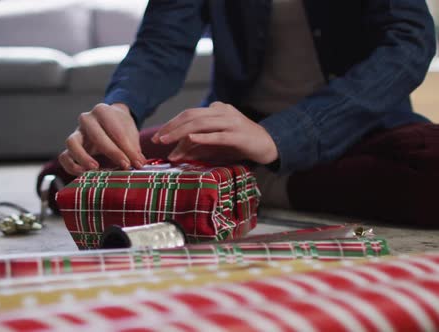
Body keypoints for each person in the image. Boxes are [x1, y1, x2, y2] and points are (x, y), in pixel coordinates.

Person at [39, 0, 438, 226]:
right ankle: (238, 182)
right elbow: (161, 44)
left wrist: (282, 139)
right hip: (233, 134)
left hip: (357, 126)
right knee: (73, 172)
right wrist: (121, 107)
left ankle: (239, 182)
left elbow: (408, 44)